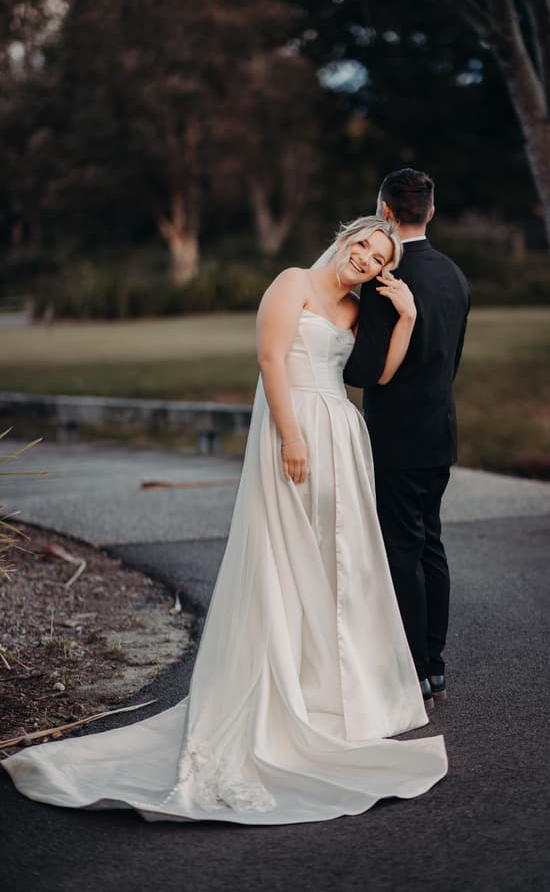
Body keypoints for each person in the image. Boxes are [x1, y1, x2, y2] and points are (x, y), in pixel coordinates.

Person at [2, 216, 447, 825]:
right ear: (347, 237)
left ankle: (340, 694)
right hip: (294, 435)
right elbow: (270, 358)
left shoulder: (358, 310)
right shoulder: (292, 282)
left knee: (340, 561)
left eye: (378, 259)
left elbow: (377, 376)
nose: (366, 261)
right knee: (285, 557)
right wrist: (291, 438)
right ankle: (280, 691)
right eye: (363, 247)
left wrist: (410, 317)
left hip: (342, 436)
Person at [344, 171, 470, 710]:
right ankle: (436, 667)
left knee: (402, 548)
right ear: (431, 212)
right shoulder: (456, 277)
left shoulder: (383, 280)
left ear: (385, 213)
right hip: (439, 430)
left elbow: (367, 373)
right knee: (431, 543)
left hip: (394, 437)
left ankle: (413, 670)